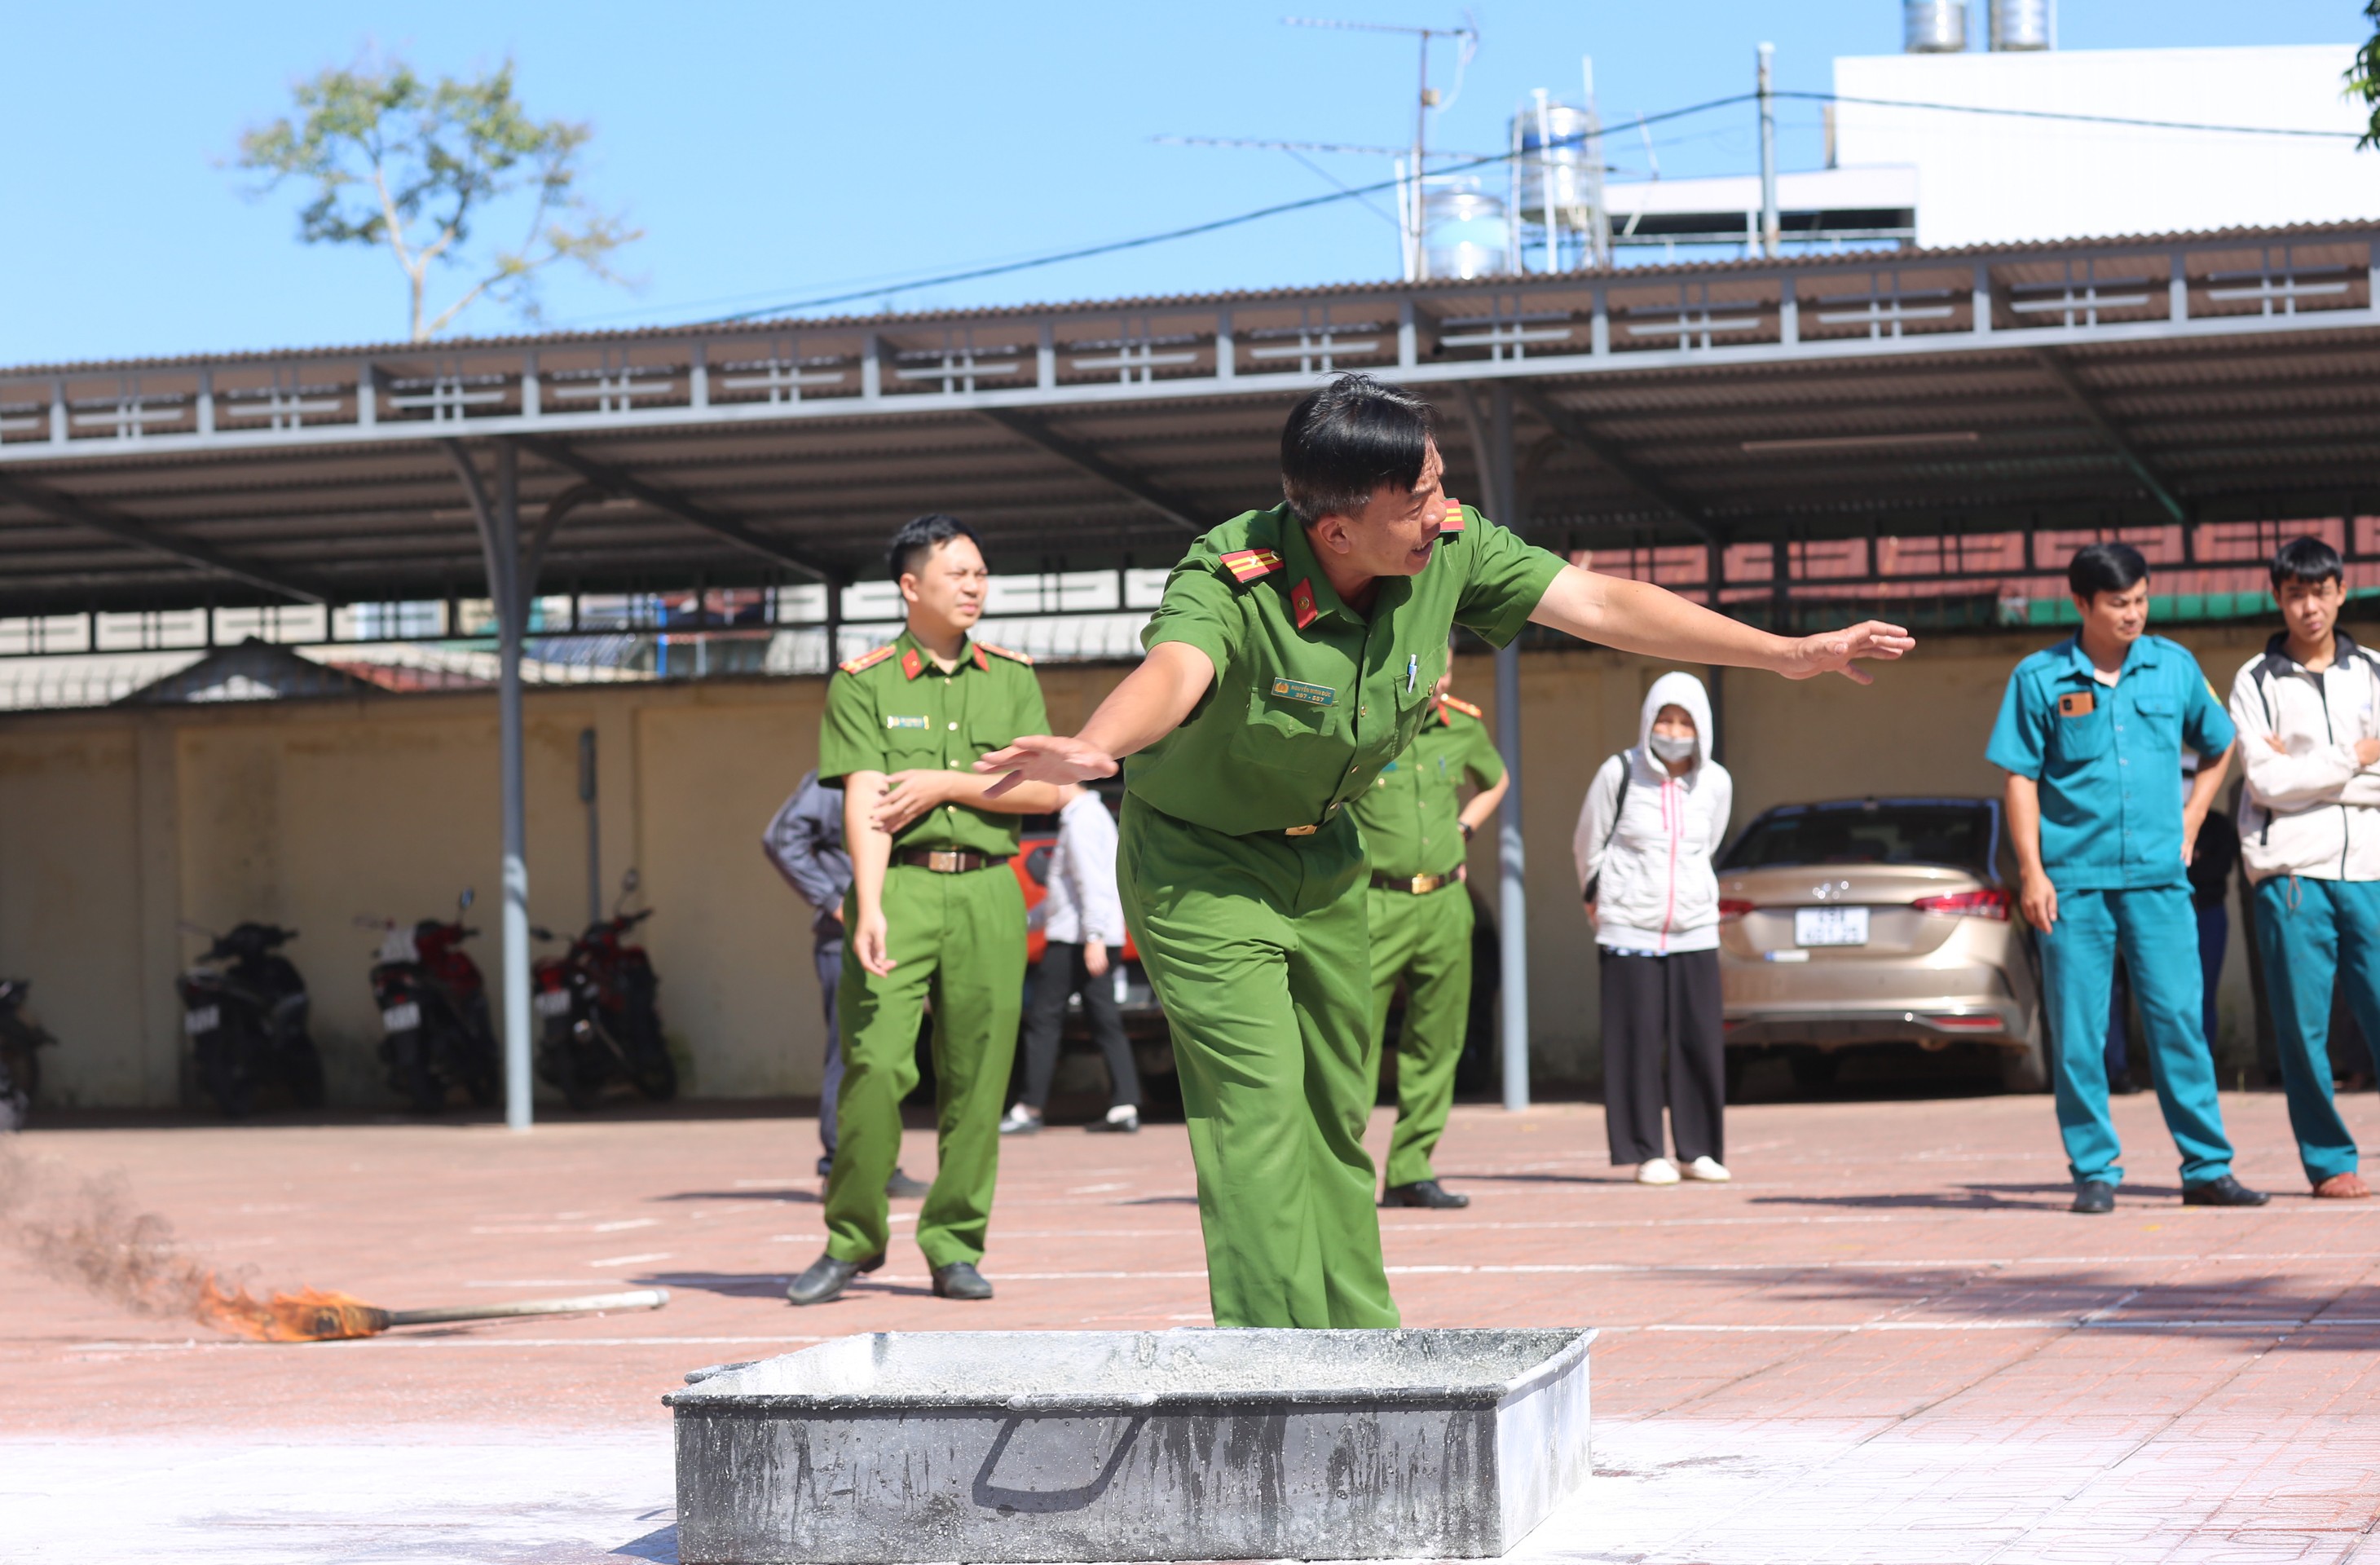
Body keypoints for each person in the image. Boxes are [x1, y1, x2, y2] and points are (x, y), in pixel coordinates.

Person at [976, 373, 1912, 1329]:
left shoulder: (1452, 546)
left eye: (1438, 481)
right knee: (1256, 1110)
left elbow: (1596, 603)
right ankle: (1272, 1366)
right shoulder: (1233, 574)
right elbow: (1179, 667)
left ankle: (1357, 1347)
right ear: (1336, 530)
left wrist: (1785, 652)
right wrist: (1100, 746)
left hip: (1328, 855)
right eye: (1416, 497)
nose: (1440, 511)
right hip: (1203, 868)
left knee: (1338, 1109)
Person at [786, 514, 1057, 1307]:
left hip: (989, 888)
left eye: (980, 572)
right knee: (872, 1066)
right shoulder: (862, 680)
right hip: (899, 886)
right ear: (911, 587)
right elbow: (865, 797)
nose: (975, 585)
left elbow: (1049, 790)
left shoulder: (1012, 675)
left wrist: (949, 784)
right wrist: (866, 904)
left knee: (978, 1078)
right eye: (957, 573)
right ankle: (852, 1240)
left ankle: (953, 1246)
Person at [1987, 540, 2263, 1215]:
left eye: (2141, 600)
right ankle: (2094, 1171)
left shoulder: (2174, 668)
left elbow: (2220, 740)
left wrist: (2195, 816)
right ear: (2081, 603)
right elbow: (2019, 777)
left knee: (2177, 1021)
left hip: (2158, 882)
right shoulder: (2038, 678)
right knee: (2079, 1029)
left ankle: (2206, 1167)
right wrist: (2032, 872)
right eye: (2118, 604)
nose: (2134, 615)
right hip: (2072, 880)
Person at [2228, 535, 2380, 1200]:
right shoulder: (2254, 681)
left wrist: (2305, 772)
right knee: (2302, 1027)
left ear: (2342, 592)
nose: (2310, 607)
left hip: (2372, 867)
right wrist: (2360, 757)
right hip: (2291, 875)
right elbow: (2265, 785)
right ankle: (2328, 1160)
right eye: (2296, 594)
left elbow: (2290, 778)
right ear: (2279, 599)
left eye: (2321, 592)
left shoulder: (2375, 670)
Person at [1351, 668, 1507, 1210]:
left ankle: (1410, 1169)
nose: (1436, 680)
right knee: (1353, 1040)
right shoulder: (1366, 723)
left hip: (1444, 902)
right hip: (1374, 901)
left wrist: (1463, 831)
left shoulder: (1462, 727)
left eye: (1443, 668)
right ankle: (1339, 1175)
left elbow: (1497, 780)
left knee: (1438, 1039)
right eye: (1426, 667)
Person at [1572, 672, 1734, 1187]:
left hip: (1694, 927)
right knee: (1635, 1041)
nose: (1673, 729)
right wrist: (1597, 899)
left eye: (1685, 720)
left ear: (1701, 727)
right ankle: (1646, 1152)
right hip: (1628, 928)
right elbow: (1587, 844)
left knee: (1699, 1039)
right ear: (1648, 721)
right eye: (1665, 718)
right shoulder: (1618, 773)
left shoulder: (1717, 783)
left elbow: (1706, 847)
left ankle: (1699, 1150)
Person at [761, 773, 927, 1196]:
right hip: (847, 942)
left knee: (887, 1054)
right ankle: (841, 1167)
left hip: (911, 930)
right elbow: (781, 838)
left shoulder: (918, 767)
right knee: (853, 1052)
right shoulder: (837, 777)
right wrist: (836, 902)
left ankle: (875, 1163)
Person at [1002, 782, 1142, 1135]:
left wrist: (1093, 936)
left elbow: (1091, 883)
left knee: (1044, 1021)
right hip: (1091, 935)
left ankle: (1029, 1108)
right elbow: (1065, 892)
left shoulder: (1081, 820)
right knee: (1105, 1020)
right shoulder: (1090, 816)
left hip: (1077, 939)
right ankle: (1125, 1105)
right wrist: (1027, 920)